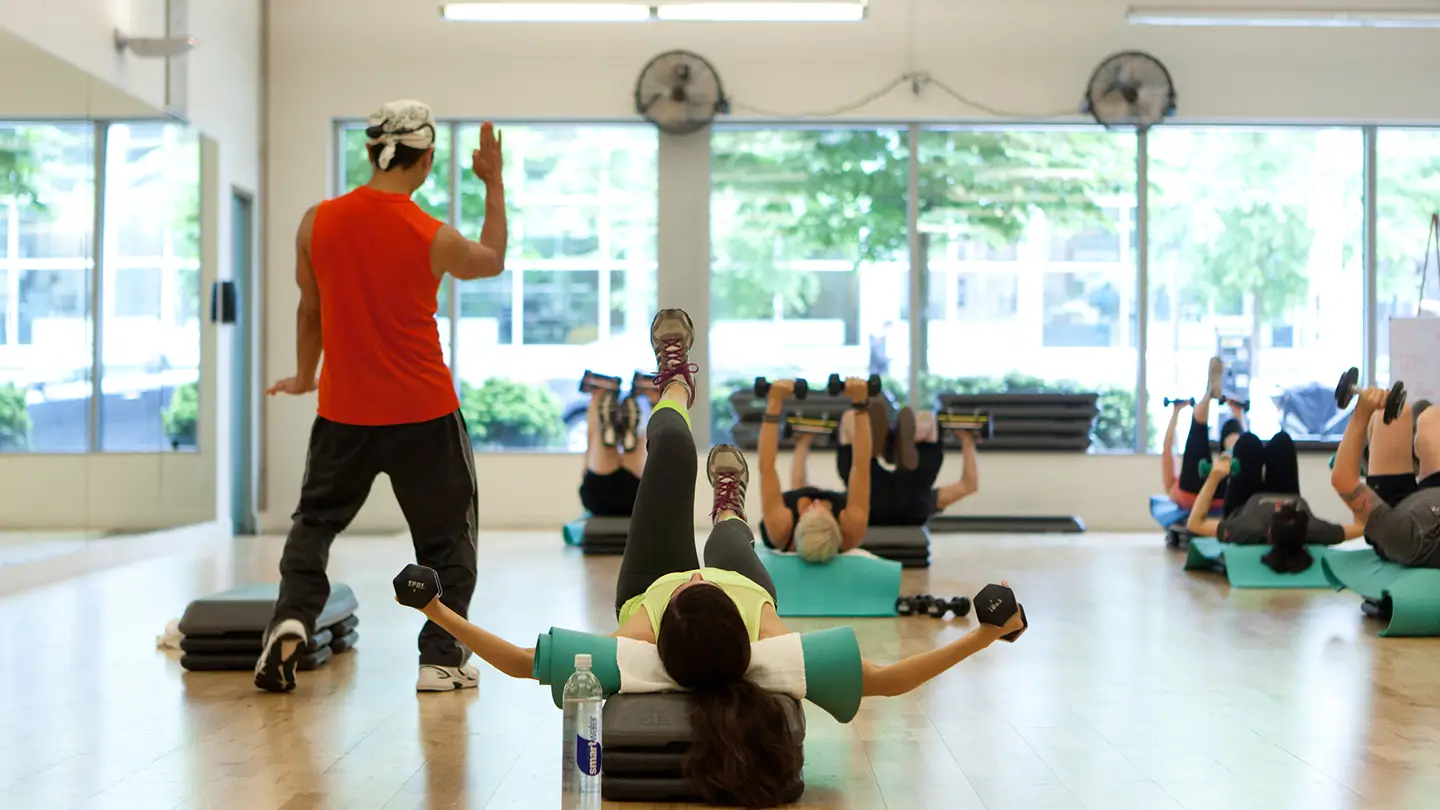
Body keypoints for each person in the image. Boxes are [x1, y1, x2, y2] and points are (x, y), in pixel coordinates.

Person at [394, 308, 1027, 808]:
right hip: (742, 581)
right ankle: (729, 505)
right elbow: (892, 680)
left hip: (647, 583)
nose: (697, 580)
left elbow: (517, 661)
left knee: (669, 455)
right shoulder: (776, 653)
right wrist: (987, 634)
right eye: (710, 592)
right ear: (739, 629)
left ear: (663, 638)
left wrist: (435, 608)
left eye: (693, 592)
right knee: (730, 543)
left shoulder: (631, 656)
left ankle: (673, 386)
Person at [258, 100, 507, 693]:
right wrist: (493, 184)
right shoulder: (432, 235)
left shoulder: (316, 222)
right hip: (424, 412)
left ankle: (292, 615)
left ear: (371, 151)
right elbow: (492, 261)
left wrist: (302, 376)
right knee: (447, 538)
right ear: (424, 163)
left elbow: (309, 310)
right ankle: (440, 659)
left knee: (314, 523)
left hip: (344, 411)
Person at [758, 393, 980, 563]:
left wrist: (802, 443)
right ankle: (889, 444)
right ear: (836, 524)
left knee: (926, 420)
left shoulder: (836, 527)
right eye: (821, 509)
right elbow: (858, 468)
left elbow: (968, 486)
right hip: (906, 502)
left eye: (808, 509)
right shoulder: (850, 526)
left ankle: (905, 438)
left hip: (913, 503)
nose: (815, 503)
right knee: (851, 422)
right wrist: (968, 441)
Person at [1187, 429, 1362, 572]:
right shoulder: (1315, 529)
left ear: (1268, 532)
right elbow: (1361, 526)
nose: (1279, 506)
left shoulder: (1247, 528)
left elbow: (1195, 523)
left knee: (1248, 443)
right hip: (1287, 491)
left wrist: (1214, 477)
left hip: (1245, 503)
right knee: (1282, 441)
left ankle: (1232, 444)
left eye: (1277, 511)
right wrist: (1348, 483)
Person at [1331, 388, 1440, 568]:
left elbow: (1343, 481)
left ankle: (1402, 456)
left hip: (1395, 508)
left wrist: (1361, 414)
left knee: (1387, 417)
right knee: (1431, 417)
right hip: (1430, 497)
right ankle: (1415, 458)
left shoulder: (1408, 539)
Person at [1161, 357, 1248, 511]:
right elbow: (1249, 449)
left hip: (1191, 495)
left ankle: (1208, 395)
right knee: (1232, 427)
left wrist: (1176, 412)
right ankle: (1229, 453)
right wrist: (1238, 414)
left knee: (1197, 433)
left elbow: (1169, 448)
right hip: (1223, 494)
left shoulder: (1173, 489)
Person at [579, 372, 660, 517]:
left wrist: (586, 467)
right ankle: (601, 395)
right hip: (635, 495)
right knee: (636, 451)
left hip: (599, 496)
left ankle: (600, 398)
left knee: (599, 443)